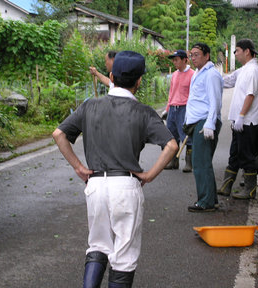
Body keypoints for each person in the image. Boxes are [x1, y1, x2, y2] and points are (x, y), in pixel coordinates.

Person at [52, 51, 178, 288]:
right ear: (139, 81)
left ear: (111, 75)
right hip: (126, 186)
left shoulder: (90, 105)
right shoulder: (143, 111)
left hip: (96, 185)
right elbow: (171, 145)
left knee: (97, 245)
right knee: (124, 256)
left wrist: (79, 167)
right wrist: (149, 175)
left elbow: (59, 134)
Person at [218, 39, 258, 200]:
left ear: (247, 51)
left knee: (247, 156)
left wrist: (242, 116)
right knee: (235, 154)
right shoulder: (243, 70)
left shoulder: (253, 72)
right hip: (240, 121)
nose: (235, 54)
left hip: (248, 121)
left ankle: (254, 185)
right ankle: (226, 186)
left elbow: (250, 95)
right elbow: (227, 81)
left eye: (237, 51)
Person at [185, 43, 223, 212]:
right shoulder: (198, 73)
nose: (193, 58)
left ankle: (205, 202)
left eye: (197, 55)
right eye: (192, 55)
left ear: (207, 56)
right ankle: (210, 199)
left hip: (205, 121)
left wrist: (210, 123)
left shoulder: (211, 74)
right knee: (202, 161)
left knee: (200, 162)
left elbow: (215, 100)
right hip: (198, 121)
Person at [222, 67, 258, 186]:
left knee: (252, 149)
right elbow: (228, 81)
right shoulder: (240, 72)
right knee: (239, 150)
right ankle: (245, 178)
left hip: (256, 118)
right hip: (240, 118)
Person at [163, 49, 195, 172]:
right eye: (173, 60)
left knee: (187, 136)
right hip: (173, 108)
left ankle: (188, 163)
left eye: (176, 60)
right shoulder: (175, 75)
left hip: (184, 108)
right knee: (171, 135)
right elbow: (171, 92)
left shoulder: (192, 74)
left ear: (184, 60)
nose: (174, 62)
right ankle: (173, 161)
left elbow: (193, 94)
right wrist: (167, 109)